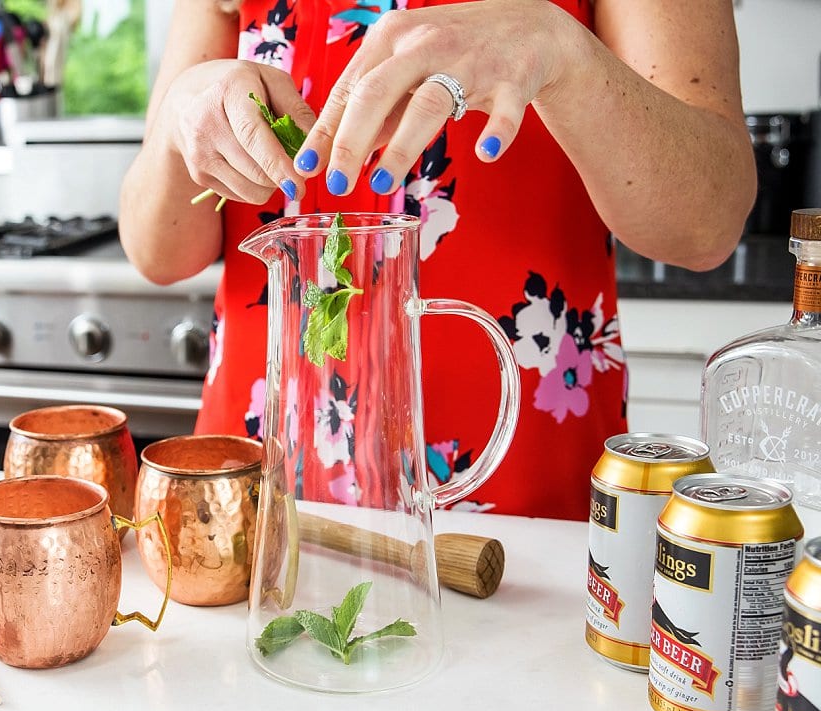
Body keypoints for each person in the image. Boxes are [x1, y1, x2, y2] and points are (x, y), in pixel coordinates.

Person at [118, 0, 755, 520]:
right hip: (253, 501)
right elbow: (159, 250)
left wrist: (562, 51)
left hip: (522, 507)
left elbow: (706, 224)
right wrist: (182, 114)